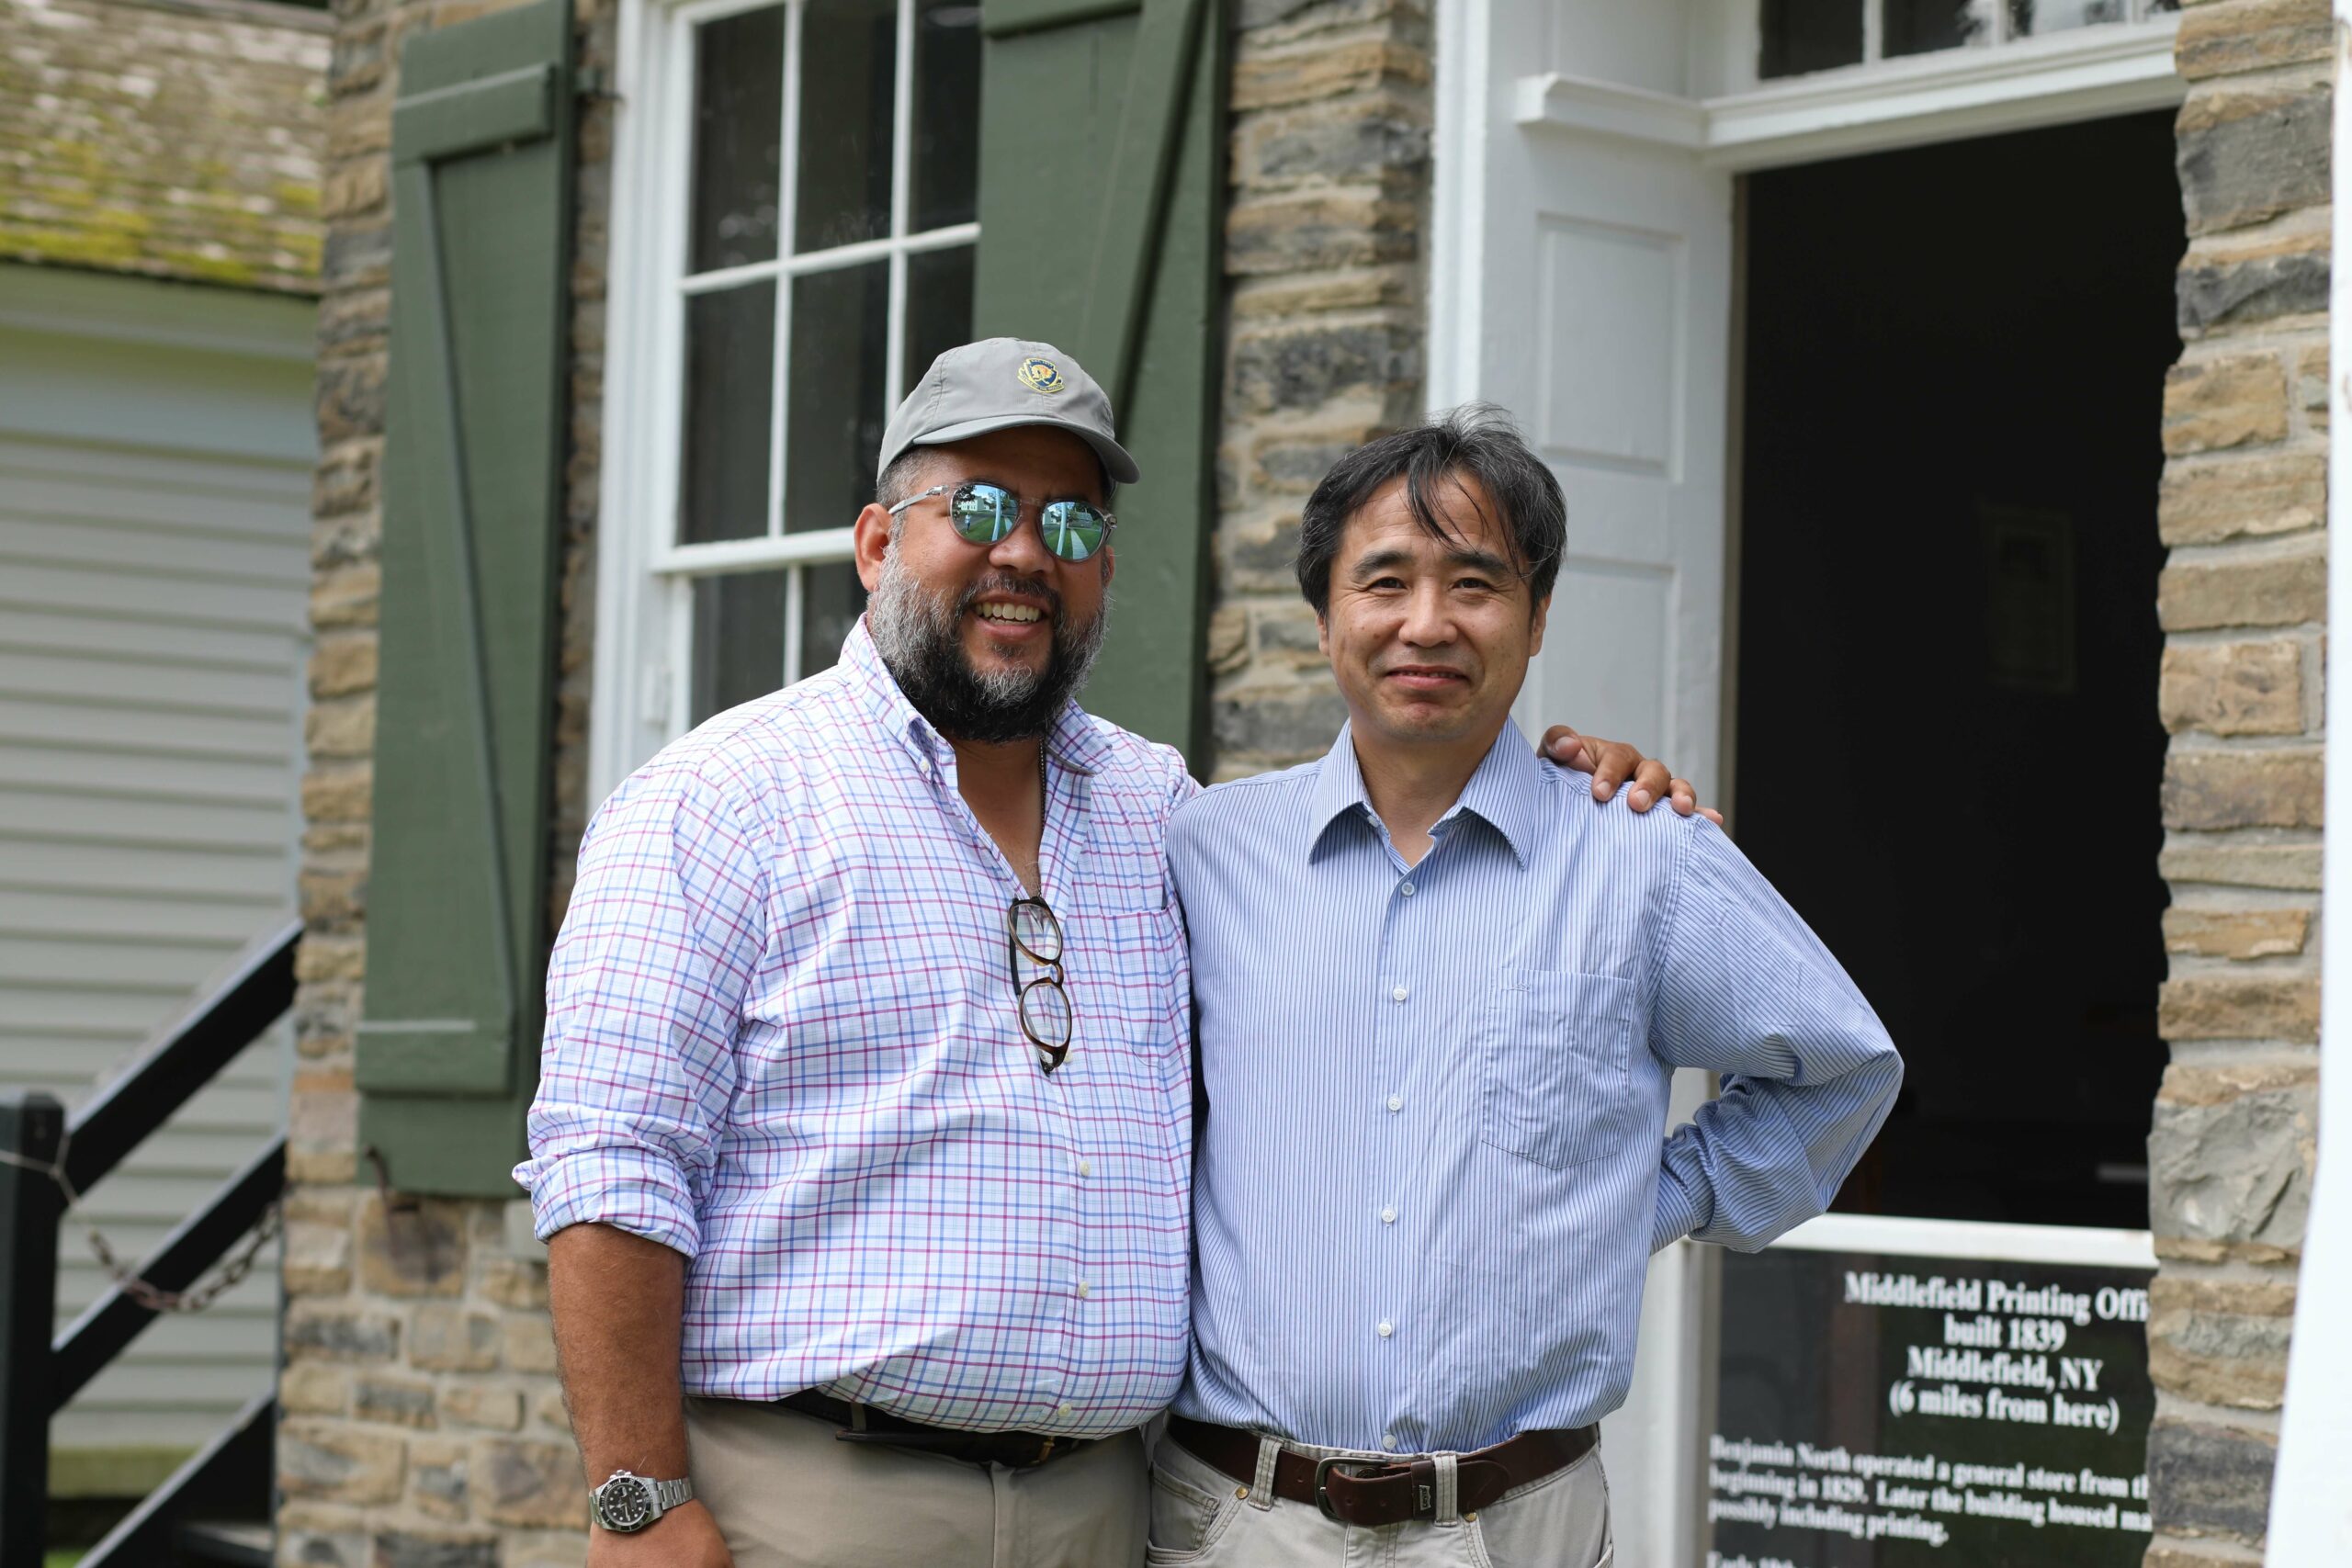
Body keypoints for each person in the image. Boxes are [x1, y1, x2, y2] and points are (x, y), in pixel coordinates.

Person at [515, 342, 1698, 1568]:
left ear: (1104, 572)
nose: (1025, 549)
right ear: (876, 544)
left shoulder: (1158, 808)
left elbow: (1366, 971)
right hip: (814, 1499)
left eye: (1070, 522)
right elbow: (612, 1165)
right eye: (977, 506)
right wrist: (641, 1501)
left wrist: (1559, 795)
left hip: (1109, 1507)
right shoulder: (719, 801)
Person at [1153, 408, 1904, 1566]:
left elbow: (1839, 1070)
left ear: (1537, 615)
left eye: (1475, 584)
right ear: (1322, 618)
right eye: (1384, 581)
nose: (1426, 624)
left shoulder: (1643, 855)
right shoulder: (1202, 857)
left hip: (1517, 1530)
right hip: (1235, 1527)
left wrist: (1646, 1202)